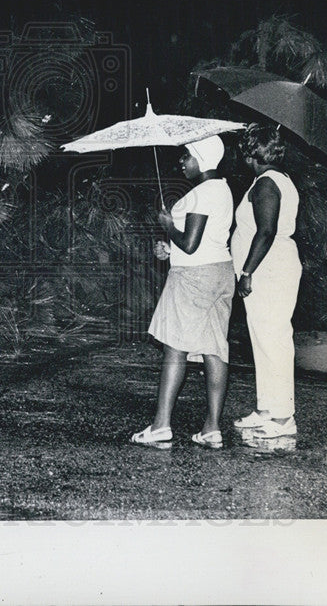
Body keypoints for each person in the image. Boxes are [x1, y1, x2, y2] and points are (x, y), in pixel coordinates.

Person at [131, 135, 235, 450]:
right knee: (214, 347)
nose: (182, 161)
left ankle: (161, 425)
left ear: (201, 158)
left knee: (175, 346)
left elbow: (190, 242)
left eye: (187, 156)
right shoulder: (224, 189)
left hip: (193, 277)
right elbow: (199, 242)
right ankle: (211, 428)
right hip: (220, 272)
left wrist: (167, 224)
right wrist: (169, 248)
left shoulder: (202, 193)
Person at [231, 124, 302, 441]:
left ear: (250, 155)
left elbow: (266, 231)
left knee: (273, 340)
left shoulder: (266, 184)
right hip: (271, 267)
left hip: (268, 269)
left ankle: (284, 416)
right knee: (263, 339)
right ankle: (265, 409)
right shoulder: (274, 180)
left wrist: (247, 271)